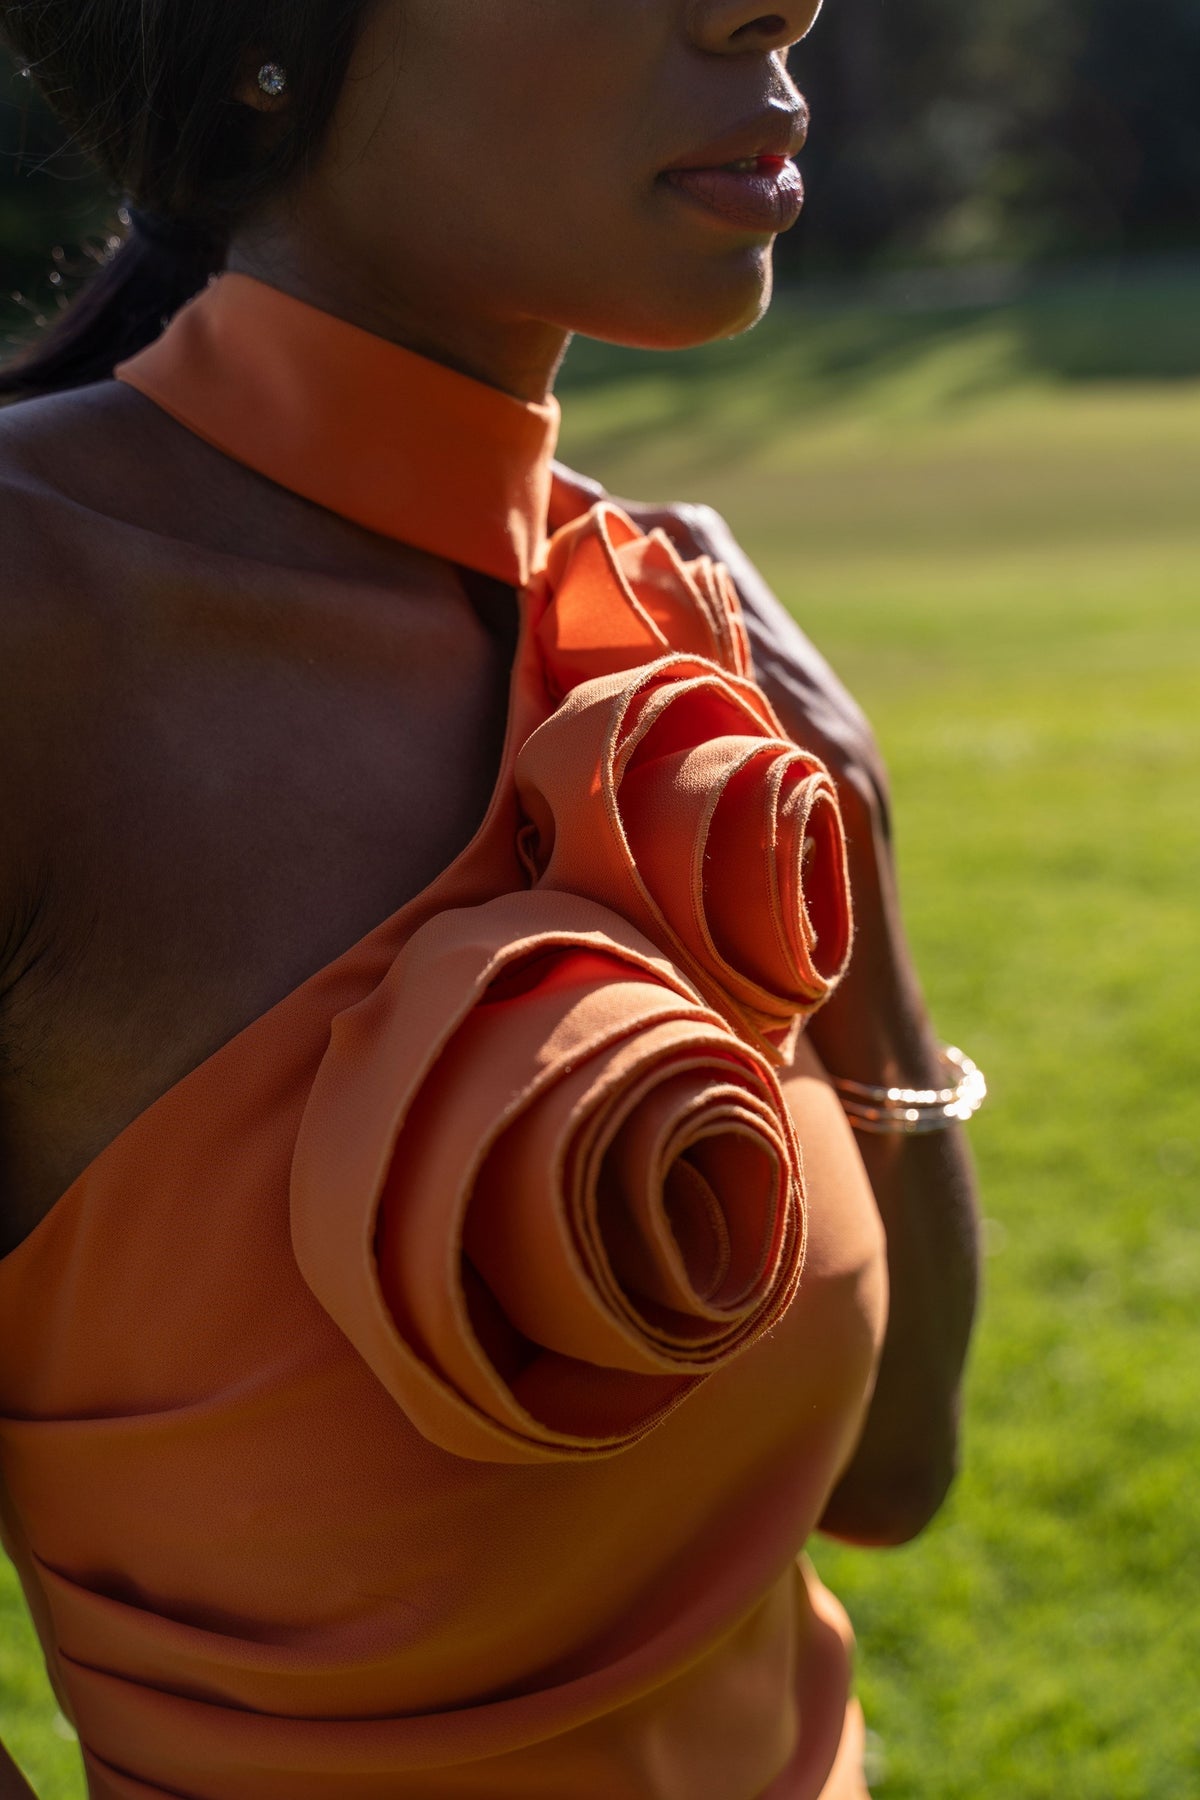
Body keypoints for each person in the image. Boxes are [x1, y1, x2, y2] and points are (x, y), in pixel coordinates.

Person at [0, 3, 983, 1796]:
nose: (780, 5)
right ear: (262, 38)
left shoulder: (665, 615)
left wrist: (853, 843)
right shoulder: (37, 647)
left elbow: (890, 1473)